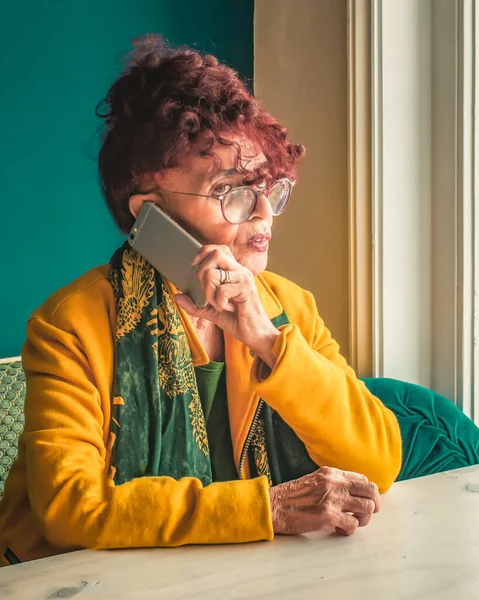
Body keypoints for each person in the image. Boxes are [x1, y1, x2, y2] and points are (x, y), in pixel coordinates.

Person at [1, 35, 478, 566]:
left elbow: (380, 460)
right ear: (148, 214)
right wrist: (265, 509)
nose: (264, 215)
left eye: (269, 188)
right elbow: (70, 510)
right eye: (232, 191)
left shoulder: (288, 306)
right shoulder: (71, 323)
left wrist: (269, 342)